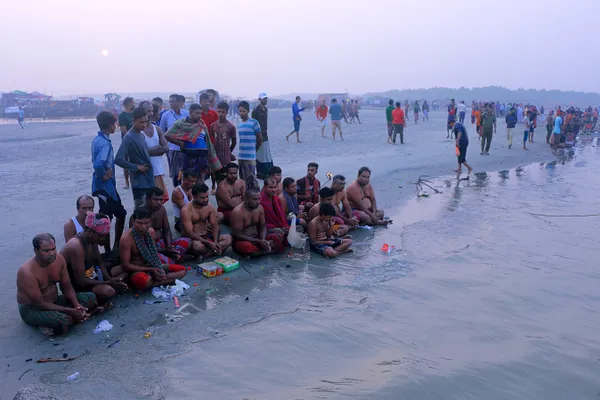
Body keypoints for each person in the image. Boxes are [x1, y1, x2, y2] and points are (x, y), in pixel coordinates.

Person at [17, 233, 98, 336]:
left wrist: (76, 305)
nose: (52, 253)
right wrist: (69, 310)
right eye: (46, 251)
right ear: (36, 251)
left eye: (53, 249)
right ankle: (57, 321)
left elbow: (67, 287)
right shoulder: (27, 272)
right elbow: (39, 304)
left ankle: (72, 317)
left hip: (54, 302)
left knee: (90, 298)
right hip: (32, 309)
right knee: (63, 320)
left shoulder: (59, 259)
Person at [61, 213, 128, 308]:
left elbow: (100, 262)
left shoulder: (91, 240)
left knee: (124, 273)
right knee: (108, 291)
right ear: (90, 231)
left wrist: (109, 279)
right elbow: (81, 281)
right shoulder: (76, 246)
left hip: (92, 276)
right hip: (77, 285)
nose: (103, 239)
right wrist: (107, 283)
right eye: (101, 236)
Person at [120, 208, 187, 292]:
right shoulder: (126, 239)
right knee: (144, 280)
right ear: (133, 221)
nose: (143, 227)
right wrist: (151, 270)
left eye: (146, 223)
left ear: (150, 221)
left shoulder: (151, 232)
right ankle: (164, 281)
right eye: (139, 223)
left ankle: (156, 281)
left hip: (153, 265)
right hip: (137, 270)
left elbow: (153, 252)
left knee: (182, 270)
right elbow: (125, 266)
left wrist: (156, 269)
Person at [92, 111, 127, 252]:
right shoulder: (104, 144)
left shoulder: (98, 139)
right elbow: (99, 163)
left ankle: (109, 248)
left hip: (102, 186)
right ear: (110, 125)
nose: (116, 126)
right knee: (118, 214)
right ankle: (114, 246)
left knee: (105, 216)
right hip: (105, 186)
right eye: (115, 123)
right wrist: (103, 176)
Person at [134, 187, 192, 264]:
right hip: (147, 248)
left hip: (161, 244)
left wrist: (169, 247)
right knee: (154, 258)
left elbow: (166, 230)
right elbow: (139, 243)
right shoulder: (138, 214)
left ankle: (172, 259)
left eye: (161, 200)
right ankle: (175, 259)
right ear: (147, 199)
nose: (159, 202)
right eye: (155, 200)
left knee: (187, 241)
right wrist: (165, 251)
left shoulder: (162, 209)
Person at [165, 103, 222, 183]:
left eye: (200, 113)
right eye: (197, 113)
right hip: (189, 158)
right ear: (190, 112)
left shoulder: (201, 124)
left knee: (200, 184)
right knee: (189, 182)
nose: (199, 115)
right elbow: (167, 135)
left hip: (202, 159)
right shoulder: (182, 124)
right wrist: (180, 143)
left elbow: (207, 142)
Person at [181, 183, 232, 260]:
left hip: (207, 236)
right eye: (202, 198)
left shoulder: (209, 206)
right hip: (194, 239)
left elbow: (215, 226)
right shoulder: (186, 210)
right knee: (197, 247)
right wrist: (208, 243)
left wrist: (215, 242)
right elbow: (190, 233)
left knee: (229, 238)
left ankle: (206, 255)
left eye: (207, 197)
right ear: (194, 197)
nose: (206, 199)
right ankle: (215, 251)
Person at [115, 107, 153, 206]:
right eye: (141, 122)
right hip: (139, 182)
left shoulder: (141, 135)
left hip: (149, 178)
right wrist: (136, 167)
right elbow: (118, 159)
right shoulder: (128, 137)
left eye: (146, 122)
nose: (144, 125)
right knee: (140, 211)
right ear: (133, 121)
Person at [231, 189, 286, 257]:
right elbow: (237, 235)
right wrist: (258, 241)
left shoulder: (260, 208)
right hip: (244, 240)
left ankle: (260, 251)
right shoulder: (238, 212)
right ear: (246, 199)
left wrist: (262, 239)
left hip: (259, 237)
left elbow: (263, 226)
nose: (258, 202)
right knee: (247, 247)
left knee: (279, 233)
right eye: (255, 199)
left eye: (259, 199)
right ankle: (264, 250)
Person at [140, 102, 169, 203]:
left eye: (152, 110)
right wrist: (157, 149)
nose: (151, 113)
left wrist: (150, 151)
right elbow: (141, 152)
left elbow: (166, 148)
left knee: (158, 202)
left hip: (158, 170)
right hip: (145, 172)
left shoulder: (156, 128)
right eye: (148, 111)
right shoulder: (138, 132)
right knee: (146, 202)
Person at [160, 94, 189, 187]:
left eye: (174, 101)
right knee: (176, 175)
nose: (172, 103)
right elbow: (162, 132)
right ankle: (177, 193)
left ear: (180, 102)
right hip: (173, 149)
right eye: (170, 101)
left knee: (187, 174)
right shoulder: (166, 115)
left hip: (186, 148)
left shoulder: (186, 114)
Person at [208, 101, 237, 192]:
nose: (220, 114)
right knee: (214, 171)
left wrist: (229, 152)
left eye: (223, 112)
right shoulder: (213, 125)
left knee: (225, 173)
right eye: (219, 111)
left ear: (227, 112)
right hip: (215, 154)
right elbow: (212, 138)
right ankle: (214, 186)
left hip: (226, 155)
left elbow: (234, 142)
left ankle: (225, 190)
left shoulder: (231, 127)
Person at [236, 101, 262, 190]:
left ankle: (257, 195)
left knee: (251, 179)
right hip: (241, 155)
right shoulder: (239, 124)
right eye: (239, 111)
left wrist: (254, 151)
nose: (241, 113)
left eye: (243, 111)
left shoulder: (254, 122)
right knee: (242, 180)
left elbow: (259, 139)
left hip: (250, 156)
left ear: (248, 111)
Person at [252, 93, 273, 179]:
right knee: (260, 154)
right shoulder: (255, 111)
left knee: (266, 154)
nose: (265, 100)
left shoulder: (266, 109)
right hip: (259, 135)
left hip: (265, 134)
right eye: (264, 99)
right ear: (259, 99)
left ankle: (269, 171)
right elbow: (254, 124)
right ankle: (261, 173)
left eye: (266, 99)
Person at [118, 97, 135, 189]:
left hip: (136, 139)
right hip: (127, 140)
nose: (134, 104)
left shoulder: (134, 113)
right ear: (129, 103)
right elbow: (123, 129)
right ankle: (126, 182)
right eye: (133, 102)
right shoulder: (122, 115)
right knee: (126, 161)